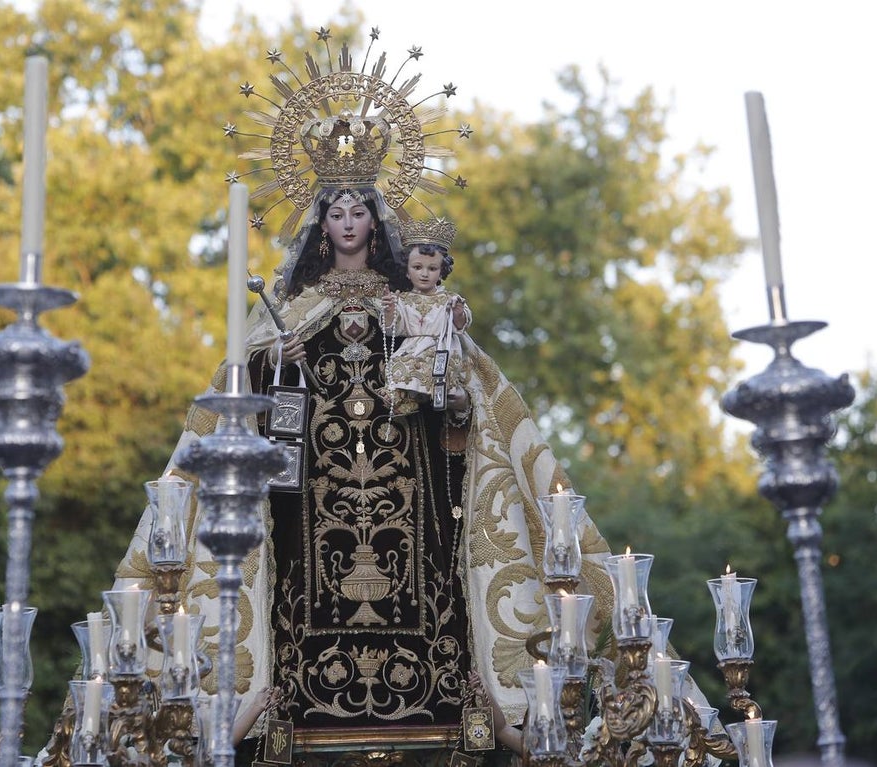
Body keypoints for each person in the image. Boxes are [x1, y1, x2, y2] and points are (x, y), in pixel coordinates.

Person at [97, 32, 621, 762]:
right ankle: (269, 697)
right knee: (296, 584)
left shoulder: (415, 306)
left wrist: (449, 392)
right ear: (322, 222)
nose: (348, 223)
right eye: (336, 211)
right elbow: (243, 402)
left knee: (432, 578)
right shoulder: (292, 309)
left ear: (377, 219)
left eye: (359, 210)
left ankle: (462, 684)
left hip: (416, 514)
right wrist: (271, 363)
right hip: (304, 502)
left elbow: (464, 407)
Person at [382, 218, 472, 415]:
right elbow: (395, 329)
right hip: (412, 348)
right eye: (417, 267)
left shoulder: (449, 298)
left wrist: (458, 314)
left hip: (439, 349)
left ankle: (426, 396)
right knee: (398, 364)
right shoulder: (402, 300)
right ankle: (405, 399)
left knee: (432, 368)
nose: (424, 274)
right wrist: (389, 311)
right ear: (407, 271)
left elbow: (461, 325)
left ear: (441, 272)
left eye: (432, 269)